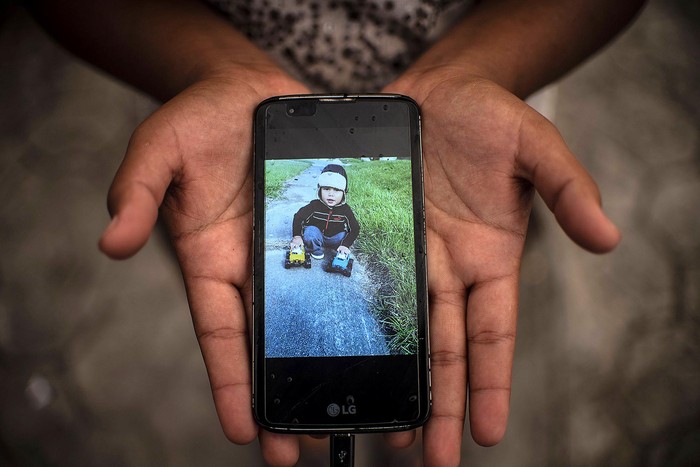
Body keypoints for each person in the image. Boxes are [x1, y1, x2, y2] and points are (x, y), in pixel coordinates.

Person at [28, 0, 646, 465]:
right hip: (220, 154)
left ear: (343, 191)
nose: (328, 195)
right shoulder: (303, 209)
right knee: (261, 316)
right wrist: (212, 67)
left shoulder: (347, 209)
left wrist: (478, 65)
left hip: (475, 146)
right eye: (323, 189)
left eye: (334, 190)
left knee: (448, 326)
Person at [290, 164, 359, 260]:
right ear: (320, 190)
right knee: (310, 232)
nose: (331, 194)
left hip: (335, 239)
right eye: (326, 189)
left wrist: (345, 244)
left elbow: (355, 228)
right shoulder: (314, 205)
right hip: (317, 236)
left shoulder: (345, 210)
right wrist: (297, 236)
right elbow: (298, 217)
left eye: (336, 190)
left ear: (344, 192)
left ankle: (339, 250)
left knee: (343, 234)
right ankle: (315, 249)